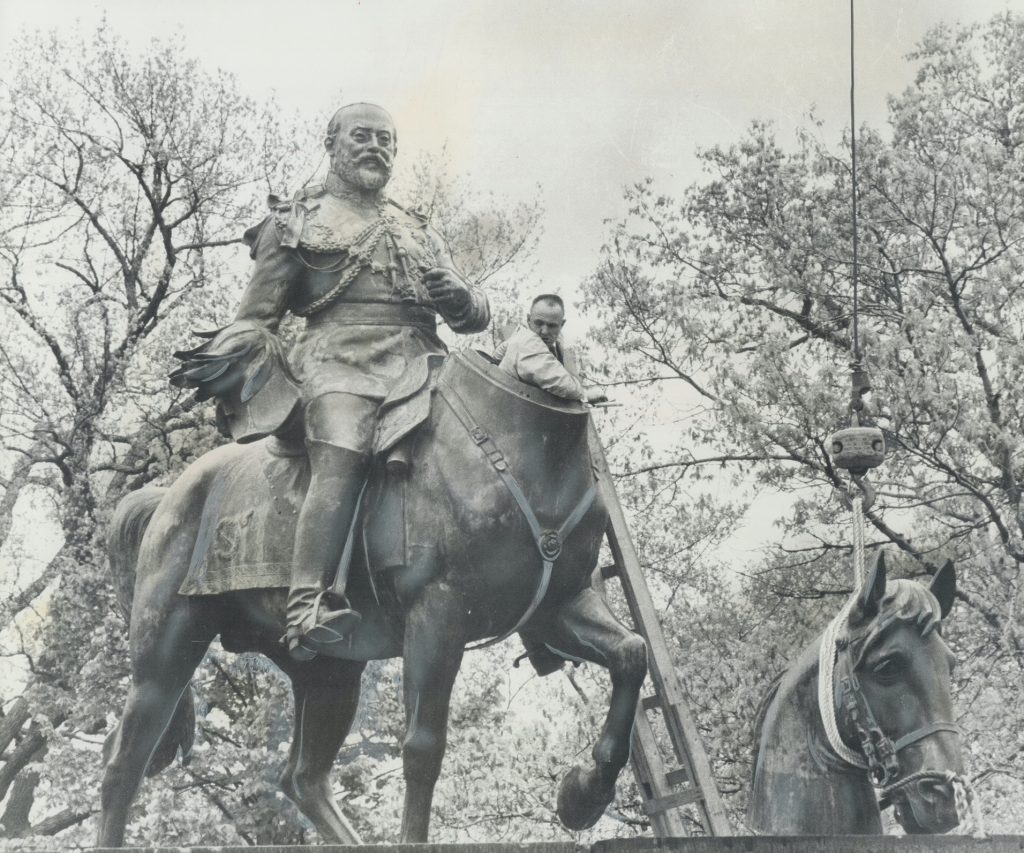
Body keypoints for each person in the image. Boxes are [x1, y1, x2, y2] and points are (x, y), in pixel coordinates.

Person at [177, 104, 489, 660]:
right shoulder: (296, 222)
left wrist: (463, 299)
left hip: (426, 365)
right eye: (362, 137)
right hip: (338, 365)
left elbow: (474, 315)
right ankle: (307, 604)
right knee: (344, 447)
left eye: (386, 141)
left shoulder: (417, 228)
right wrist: (247, 355)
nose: (376, 148)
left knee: (492, 441)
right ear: (332, 143)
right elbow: (256, 314)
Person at [494, 294, 605, 403]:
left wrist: (564, 350)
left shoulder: (547, 349)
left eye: (552, 326)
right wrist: (585, 394)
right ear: (528, 320)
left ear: (562, 325)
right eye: (539, 323)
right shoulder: (527, 341)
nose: (544, 331)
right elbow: (561, 383)